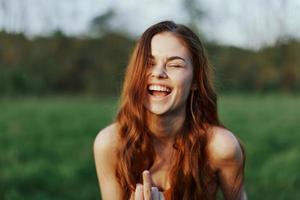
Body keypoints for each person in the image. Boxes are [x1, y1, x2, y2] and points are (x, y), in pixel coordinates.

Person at [93, 21, 247, 200]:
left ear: (195, 81)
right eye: (149, 63)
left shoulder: (221, 147)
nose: (158, 73)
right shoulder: (110, 144)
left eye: (175, 65)